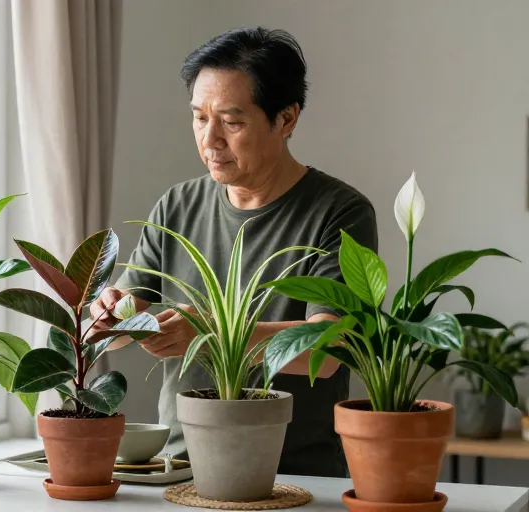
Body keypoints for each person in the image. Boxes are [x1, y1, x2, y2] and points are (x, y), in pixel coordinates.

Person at [90, 27, 377, 478]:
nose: (210, 139)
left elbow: (331, 348)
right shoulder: (178, 205)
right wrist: (110, 314)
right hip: (180, 467)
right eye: (199, 118)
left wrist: (210, 332)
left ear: (286, 119)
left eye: (232, 121)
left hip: (295, 474)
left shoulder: (340, 211)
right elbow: (127, 318)